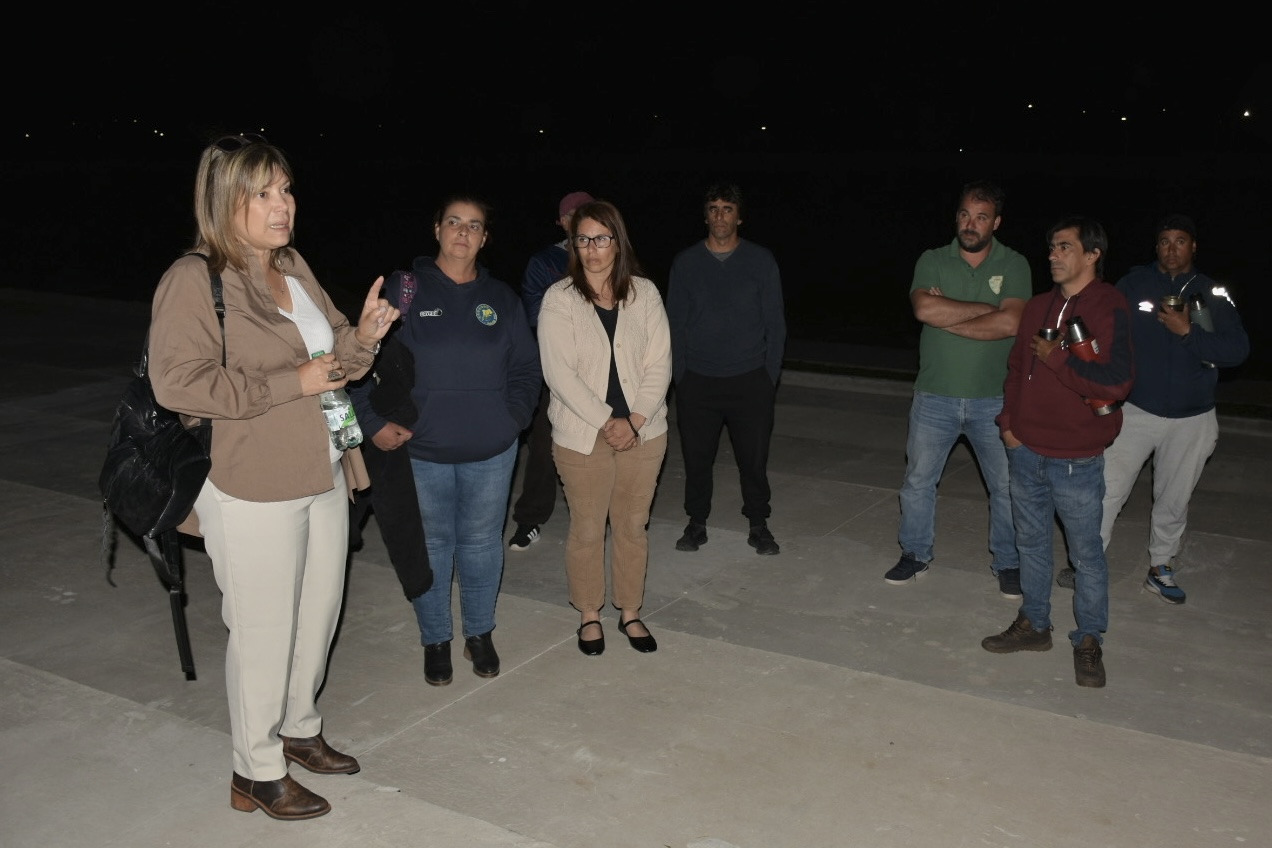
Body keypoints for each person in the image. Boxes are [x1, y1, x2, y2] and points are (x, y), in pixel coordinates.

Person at [149, 133, 399, 820]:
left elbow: (335, 356)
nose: (282, 204)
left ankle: (297, 728)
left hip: (323, 464)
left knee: (318, 614)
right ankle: (255, 771)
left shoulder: (292, 265)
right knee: (262, 629)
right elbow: (179, 383)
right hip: (250, 479)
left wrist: (364, 337)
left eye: (285, 189)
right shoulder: (194, 279)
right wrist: (294, 381)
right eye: (261, 193)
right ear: (223, 200)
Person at [362, 194, 540, 686]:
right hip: (422, 452)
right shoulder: (404, 290)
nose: (464, 232)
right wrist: (371, 422)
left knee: (481, 544)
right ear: (437, 229)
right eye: (454, 222)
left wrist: (512, 420)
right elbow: (360, 358)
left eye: (475, 225)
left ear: (485, 238)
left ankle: (479, 633)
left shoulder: (501, 298)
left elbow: (526, 369)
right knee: (434, 546)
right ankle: (435, 638)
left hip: (492, 451)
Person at [982, 216, 1133, 688]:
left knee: (1086, 555)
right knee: (1030, 544)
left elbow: (1116, 382)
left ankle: (1088, 639)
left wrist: (1059, 359)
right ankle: (1035, 623)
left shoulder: (1110, 306)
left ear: (1092, 254)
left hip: (1077, 457)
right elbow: (1015, 369)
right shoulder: (1037, 306)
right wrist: (1009, 424)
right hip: (1025, 450)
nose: (1053, 254)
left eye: (1064, 247)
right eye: (1051, 246)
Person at [1076, 214, 1248, 603]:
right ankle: (1088, 564)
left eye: (1180, 241)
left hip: (1193, 416)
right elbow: (1102, 329)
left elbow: (1237, 350)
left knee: (1173, 499)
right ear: (1156, 246)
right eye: (1165, 241)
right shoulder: (1133, 284)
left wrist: (1188, 333)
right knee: (1106, 491)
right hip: (1136, 410)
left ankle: (1160, 567)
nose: (1172, 248)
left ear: (1193, 246)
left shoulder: (1212, 292)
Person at [538, 199, 671, 656]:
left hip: (643, 432)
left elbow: (660, 363)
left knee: (632, 526)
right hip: (583, 434)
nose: (592, 249)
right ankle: (589, 614)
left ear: (618, 242)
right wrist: (607, 421)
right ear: (573, 245)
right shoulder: (559, 299)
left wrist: (634, 419)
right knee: (588, 528)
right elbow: (559, 373)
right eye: (583, 239)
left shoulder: (645, 294)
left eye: (601, 238)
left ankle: (630, 611)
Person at [887, 180, 1030, 598]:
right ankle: (915, 553)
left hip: (995, 399)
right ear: (956, 217)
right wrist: (986, 310)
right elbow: (923, 308)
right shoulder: (932, 259)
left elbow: (1011, 323)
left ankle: (1008, 562)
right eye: (965, 215)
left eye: (981, 217)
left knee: (1006, 487)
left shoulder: (1015, 264)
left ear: (996, 222)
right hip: (935, 395)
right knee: (918, 481)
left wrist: (948, 316)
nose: (971, 224)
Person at [667, 182, 786, 555]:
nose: (720, 215)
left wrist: (768, 377)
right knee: (696, 459)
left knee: (754, 460)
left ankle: (758, 524)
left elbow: (776, 325)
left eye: (728, 209)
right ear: (705, 216)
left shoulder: (760, 261)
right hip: (698, 382)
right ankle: (696, 523)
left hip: (750, 381)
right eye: (714, 208)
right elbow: (674, 325)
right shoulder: (686, 263)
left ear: (739, 217)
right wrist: (681, 377)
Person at [507, 190, 595, 551]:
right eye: (571, 215)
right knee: (544, 445)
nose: (579, 219)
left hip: (600, 369)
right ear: (561, 222)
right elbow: (534, 314)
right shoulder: (545, 261)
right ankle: (530, 518)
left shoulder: (610, 254)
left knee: (599, 445)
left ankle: (597, 515)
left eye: (586, 212)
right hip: (554, 369)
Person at [346, 334, 434, 604]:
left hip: (398, 414)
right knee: (342, 525)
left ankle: (420, 588)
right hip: (366, 422)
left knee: (403, 513)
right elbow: (349, 361)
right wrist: (371, 422)